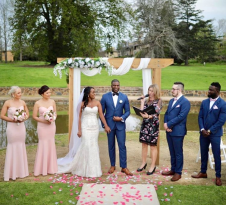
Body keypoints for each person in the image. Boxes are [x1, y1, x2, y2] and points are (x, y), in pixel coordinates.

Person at [57, 87, 111, 177]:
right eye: (93, 92)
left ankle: (93, 170)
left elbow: (101, 115)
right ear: (87, 94)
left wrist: (106, 125)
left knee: (93, 146)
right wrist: (79, 130)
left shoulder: (98, 103)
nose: (94, 93)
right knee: (86, 145)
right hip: (85, 127)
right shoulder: (81, 104)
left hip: (94, 128)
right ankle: (83, 168)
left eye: (94, 92)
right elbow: (78, 118)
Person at [191, 82, 226, 186]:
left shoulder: (223, 104)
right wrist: (202, 129)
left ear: (217, 91)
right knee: (203, 152)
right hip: (203, 133)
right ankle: (203, 172)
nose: (209, 91)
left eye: (211, 90)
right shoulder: (204, 102)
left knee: (216, 155)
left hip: (215, 134)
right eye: (209, 89)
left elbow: (221, 121)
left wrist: (210, 130)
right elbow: (200, 116)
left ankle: (218, 176)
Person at [100, 79, 133, 176]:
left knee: (122, 146)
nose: (116, 87)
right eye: (114, 85)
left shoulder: (124, 97)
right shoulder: (105, 97)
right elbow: (101, 113)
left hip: (120, 126)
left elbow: (127, 111)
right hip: (109, 126)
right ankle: (112, 165)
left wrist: (121, 118)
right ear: (111, 86)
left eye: (117, 85)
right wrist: (104, 125)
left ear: (119, 86)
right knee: (111, 146)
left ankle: (124, 167)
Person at [162, 82, 190, 181]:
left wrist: (169, 124)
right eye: (172, 88)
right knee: (172, 151)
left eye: (174, 89)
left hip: (178, 131)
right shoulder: (171, 101)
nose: (172, 90)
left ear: (180, 90)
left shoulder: (185, 102)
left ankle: (178, 172)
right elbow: (166, 113)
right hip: (169, 131)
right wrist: (165, 123)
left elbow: (181, 117)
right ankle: (173, 169)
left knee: (178, 152)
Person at [0, 86, 29, 181]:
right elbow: (2, 116)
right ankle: (11, 173)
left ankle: (22, 172)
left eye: (21, 92)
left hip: (21, 128)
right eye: (18, 93)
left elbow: (27, 114)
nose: (20, 94)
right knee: (12, 146)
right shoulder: (8, 103)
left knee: (21, 145)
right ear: (13, 94)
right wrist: (13, 120)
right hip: (12, 128)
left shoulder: (23, 102)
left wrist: (23, 118)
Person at [137, 84, 162, 175]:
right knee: (144, 144)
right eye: (149, 90)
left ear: (155, 91)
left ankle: (153, 165)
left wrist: (149, 116)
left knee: (152, 146)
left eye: (151, 91)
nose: (150, 93)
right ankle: (143, 163)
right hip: (145, 125)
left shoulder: (159, 101)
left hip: (153, 126)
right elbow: (142, 112)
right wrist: (142, 101)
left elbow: (157, 113)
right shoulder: (147, 101)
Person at [33, 85, 58, 176]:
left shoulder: (52, 101)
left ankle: (51, 168)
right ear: (42, 94)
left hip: (51, 126)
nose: (49, 94)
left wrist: (52, 118)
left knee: (51, 143)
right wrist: (44, 120)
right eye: (47, 93)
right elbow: (34, 116)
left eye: (50, 92)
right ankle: (41, 168)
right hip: (42, 127)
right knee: (43, 143)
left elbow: (55, 113)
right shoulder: (37, 103)